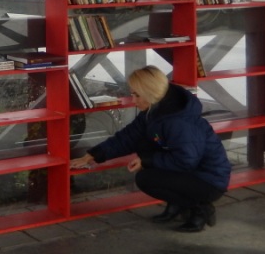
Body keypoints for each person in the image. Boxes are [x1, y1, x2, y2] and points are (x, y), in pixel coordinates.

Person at [70, 65, 231, 233]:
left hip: (209, 180)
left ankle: (201, 209)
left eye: (137, 95)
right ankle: (177, 205)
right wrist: (93, 155)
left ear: (150, 92)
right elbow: (128, 137)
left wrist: (147, 160)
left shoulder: (179, 122)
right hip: (189, 172)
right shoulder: (155, 109)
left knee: (146, 179)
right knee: (146, 154)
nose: (133, 100)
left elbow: (185, 160)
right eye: (132, 94)